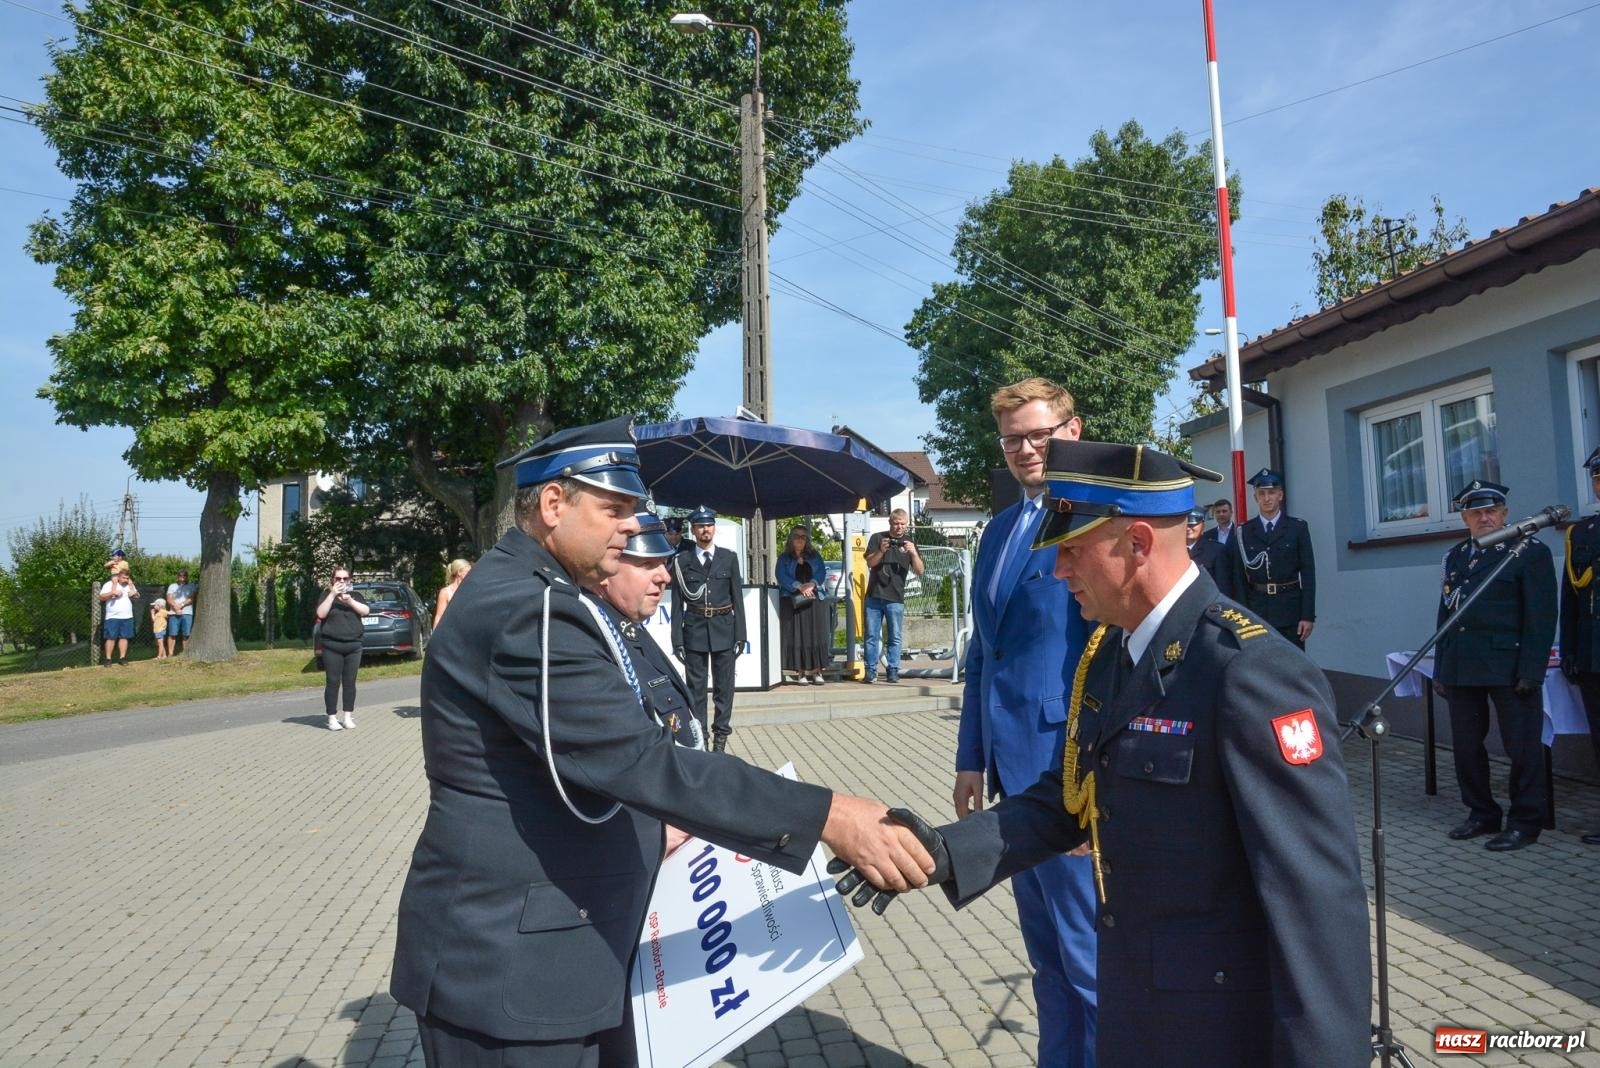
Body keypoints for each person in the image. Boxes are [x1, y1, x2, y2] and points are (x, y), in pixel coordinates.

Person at [391, 415, 934, 1068]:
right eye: (615, 508)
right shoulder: (529, 609)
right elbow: (641, 763)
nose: (631, 526)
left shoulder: (544, 591)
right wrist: (833, 817)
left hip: (550, 955)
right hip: (510, 969)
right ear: (554, 504)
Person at [833, 439, 1373, 1068]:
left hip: (1215, 1030)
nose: (1059, 571)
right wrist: (942, 852)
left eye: (1071, 550)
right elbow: (1072, 800)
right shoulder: (1113, 652)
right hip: (1133, 1007)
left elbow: (1316, 906)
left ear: (1137, 544)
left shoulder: (1249, 672)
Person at [953, 376, 1096, 1067]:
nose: (1026, 449)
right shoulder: (1001, 529)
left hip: (1068, 774)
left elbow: (1110, 658)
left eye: (1040, 435)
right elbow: (986, 653)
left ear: (1072, 431)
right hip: (1012, 773)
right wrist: (970, 758)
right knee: (1047, 958)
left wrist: (1095, 783)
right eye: (1013, 439)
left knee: (1089, 960)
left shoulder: (1093, 519)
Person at [1436, 479, 1557, 852]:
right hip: (1463, 664)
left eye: (1491, 511)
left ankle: (1525, 822)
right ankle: (1482, 813)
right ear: (1465, 518)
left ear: (1505, 513)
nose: (1484, 518)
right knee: (1467, 746)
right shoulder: (1457, 556)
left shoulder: (1528, 551)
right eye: (1476, 512)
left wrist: (1531, 670)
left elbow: (1541, 616)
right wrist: (1442, 666)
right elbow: (1446, 614)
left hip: (1509, 664)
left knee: (1522, 748)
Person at [592, 510, 702, 751]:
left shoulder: (630, 630)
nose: (665, 577)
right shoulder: (594, 643)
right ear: (604, 572)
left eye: (663, 563)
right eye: (647, 564)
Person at [669, 505, 746, 752]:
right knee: (696, 690)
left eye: (709, 525)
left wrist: (741, 635)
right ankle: (701, 736)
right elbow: (677, 605)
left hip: (724, 629)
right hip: (695, 630)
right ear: (693, 530)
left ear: (714, 528)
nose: (706, 530)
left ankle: (720, 738)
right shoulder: (682, 561)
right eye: (701, 526)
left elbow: (738, 600)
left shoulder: (728, 558)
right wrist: (677, 640)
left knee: (724, 689)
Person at [1561, 448, 1600, 845]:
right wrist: (1571, 650)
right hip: (1593, 655)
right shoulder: (1581, 534)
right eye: (1598, 478)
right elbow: (1570, 601)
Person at [1235, 468, 1316, 647]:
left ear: (1280, 495)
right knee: (1259, 660)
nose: (1267, 498)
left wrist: (1307, 615)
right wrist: (1243, 614)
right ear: (1255, 497)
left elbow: (1308, 574)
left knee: (1292, 661)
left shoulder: (1297, 528)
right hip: (1256, 610)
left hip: (1290, 610)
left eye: (1271, 492)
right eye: (1261, 493)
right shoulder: (1244, 531)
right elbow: (1239, 578)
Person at [863, 508, 924, 684]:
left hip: (896, 597)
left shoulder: (909, 542)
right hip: (874, 595)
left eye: (903, 524)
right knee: (871, 635)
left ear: (907, 524)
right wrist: (881, 551)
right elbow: (870, 562)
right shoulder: (877, 538)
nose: (899, 527)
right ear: (890, 522)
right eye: (896, 523)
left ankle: (893, 670)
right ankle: (871, 670)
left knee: (895, 636)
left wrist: (913, 553)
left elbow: (920, 570)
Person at [316, 566, 370, 731]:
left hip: (354, 646)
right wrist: (333, 595)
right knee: (333, 682)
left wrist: (350, 601)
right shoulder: (326, 595)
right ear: (332, 580)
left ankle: (347, 717)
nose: (341, 581)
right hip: (332, 646)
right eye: (338, 578)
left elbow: (366, 611)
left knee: (350, 682)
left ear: (350, 580)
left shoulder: (356, 596)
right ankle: (332, 718)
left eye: (345, 578)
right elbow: (321, 613)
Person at [776, 525, 830, 686]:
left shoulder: (815, 556)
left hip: (814, 599)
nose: (800, 539)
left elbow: (821, 572)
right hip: (793, 601)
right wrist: (799, 586)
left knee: (816, 635)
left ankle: (817, 671)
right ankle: (800, 672)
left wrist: (812, 584)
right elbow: (781, 575)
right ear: (791, 539)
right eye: (796, 536)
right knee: (798, 636)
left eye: (803, 537)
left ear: (807, 540)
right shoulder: (784, 558)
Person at [1186, 508, 1243, 601]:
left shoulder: (1216, 551)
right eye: (1185, 525)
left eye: (1193, 525)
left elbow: (1223, 588)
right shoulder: (1174, 551)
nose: (1188, 528)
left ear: (1203, 526)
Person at [98, 568, 139, 666]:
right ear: (119, 577)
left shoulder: (129, 585)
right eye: (124, 578)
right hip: (113, 616)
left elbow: (137, 595)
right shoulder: (109, 584)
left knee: (124, 637)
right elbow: (101, 597)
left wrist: (135, 593)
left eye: (127, 578)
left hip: (127, 616)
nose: (125, 580)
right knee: (111, 637)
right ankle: (108, 659)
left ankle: (122, 658)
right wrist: (112, 593)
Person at [432, 558, 473, 630]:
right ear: (459, 572)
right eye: (468, 572)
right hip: (452, 631)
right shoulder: (445, 592)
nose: (471, 575)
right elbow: (439, 616)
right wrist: (435, 634)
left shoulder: (470, 590)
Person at [165, 568, 197, 655]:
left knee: (186, 634)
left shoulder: (192, 585)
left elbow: (192, 598)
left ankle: (185, 654)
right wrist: (176, 608)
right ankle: (170, 654)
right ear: (178, 576)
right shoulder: (172, 586)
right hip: (173, 613)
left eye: (184, 575)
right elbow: (169, 599)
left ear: (187, 576)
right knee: (172, 634)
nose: (182, 577)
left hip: (187, 613)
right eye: (180, 575)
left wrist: (181, 605)